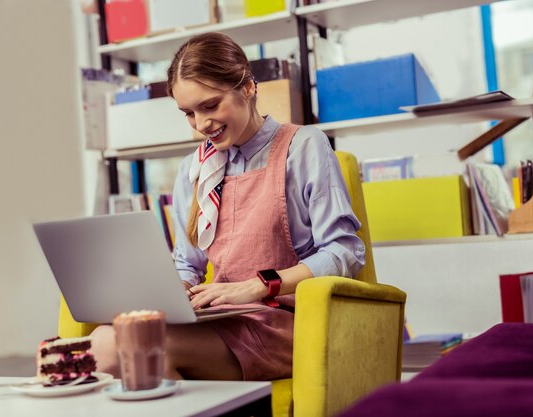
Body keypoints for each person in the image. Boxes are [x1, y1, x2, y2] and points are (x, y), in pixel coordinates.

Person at [91, 32, 365, 381]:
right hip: (222, 319)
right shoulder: (194, 168)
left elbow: (345, 251)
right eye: (188, 113)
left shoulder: (303, 147)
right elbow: (187, 264)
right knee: (101, 341)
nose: (201, 124)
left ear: (248, 87)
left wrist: (259, 285)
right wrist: (176, 291)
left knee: (145, 347)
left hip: (283, 323)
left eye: (210, 105)